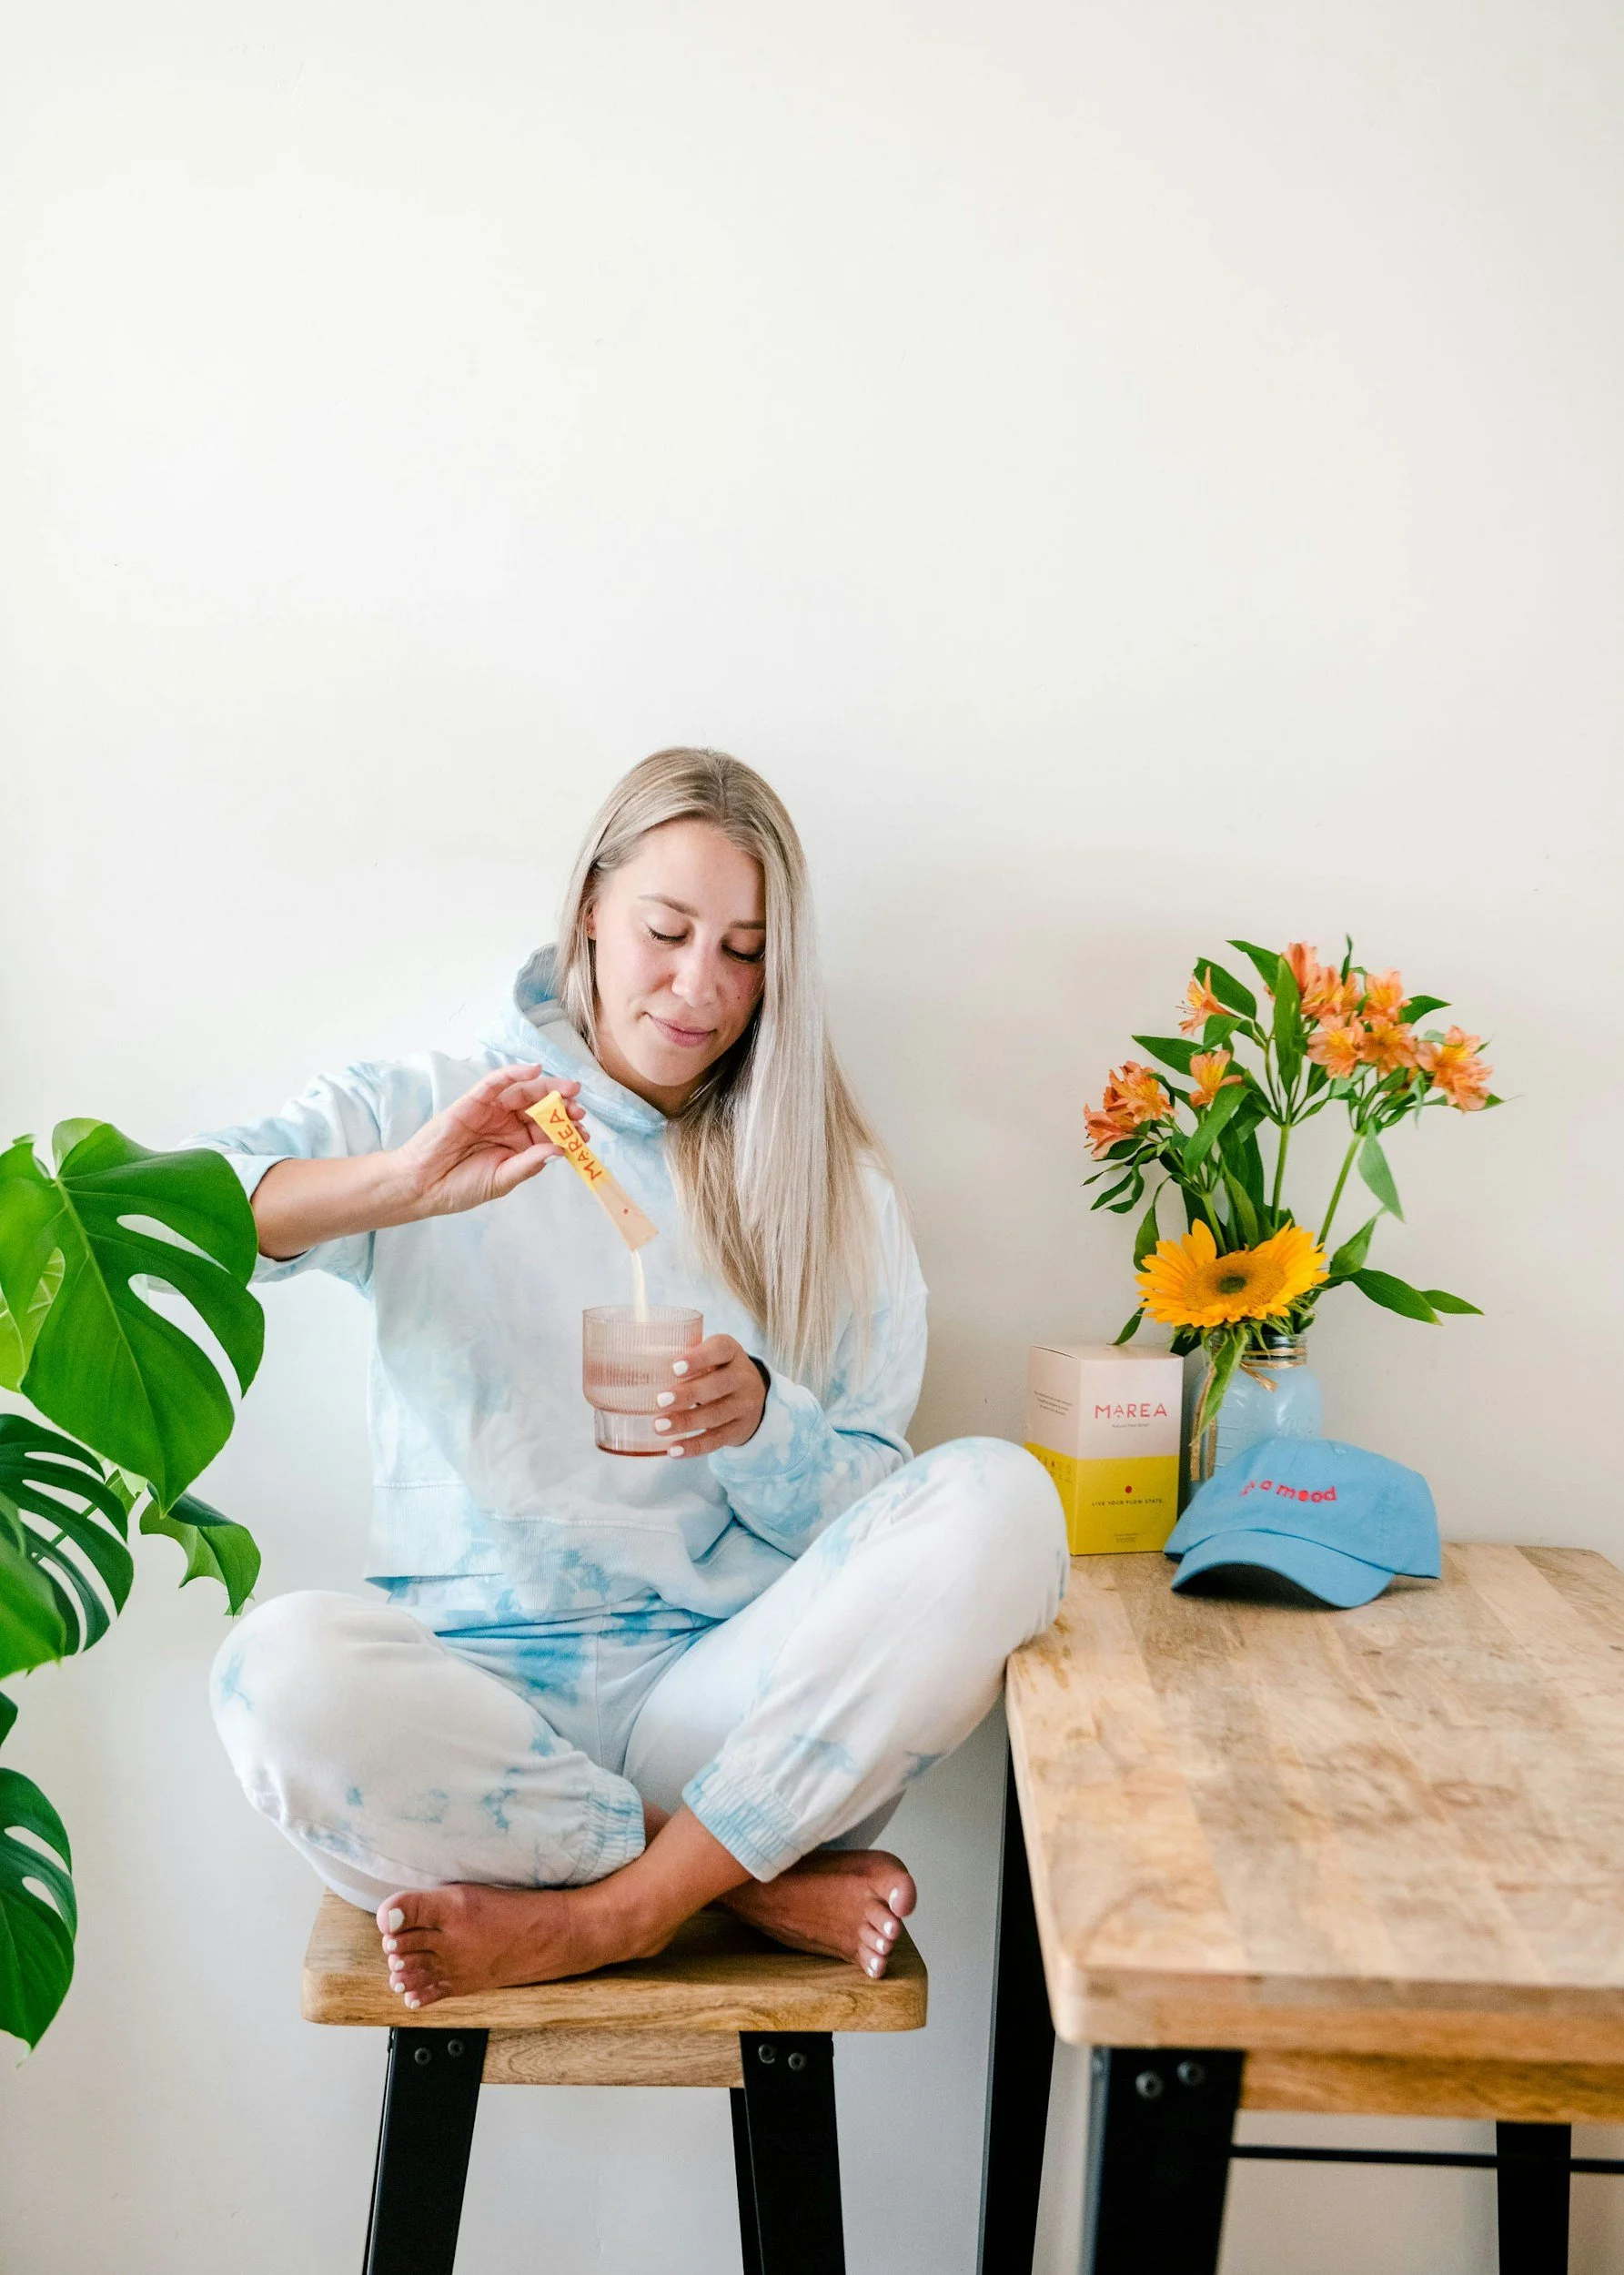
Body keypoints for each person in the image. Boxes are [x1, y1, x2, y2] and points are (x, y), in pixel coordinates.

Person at [203, 747, 1066, 2012]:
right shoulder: (431, 1107)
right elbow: (183, 1220)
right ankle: (736, 1879)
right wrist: (403, 1185)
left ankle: (614, 1912)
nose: (699, 987)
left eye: (744, 951)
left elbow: (883, 1523)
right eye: (667, 931)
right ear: (590, 915)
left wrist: (767, 1425)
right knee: (273, 1675)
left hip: (719, 1694)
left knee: (1006, 1500)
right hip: (476, 1710)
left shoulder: (830, 1187)